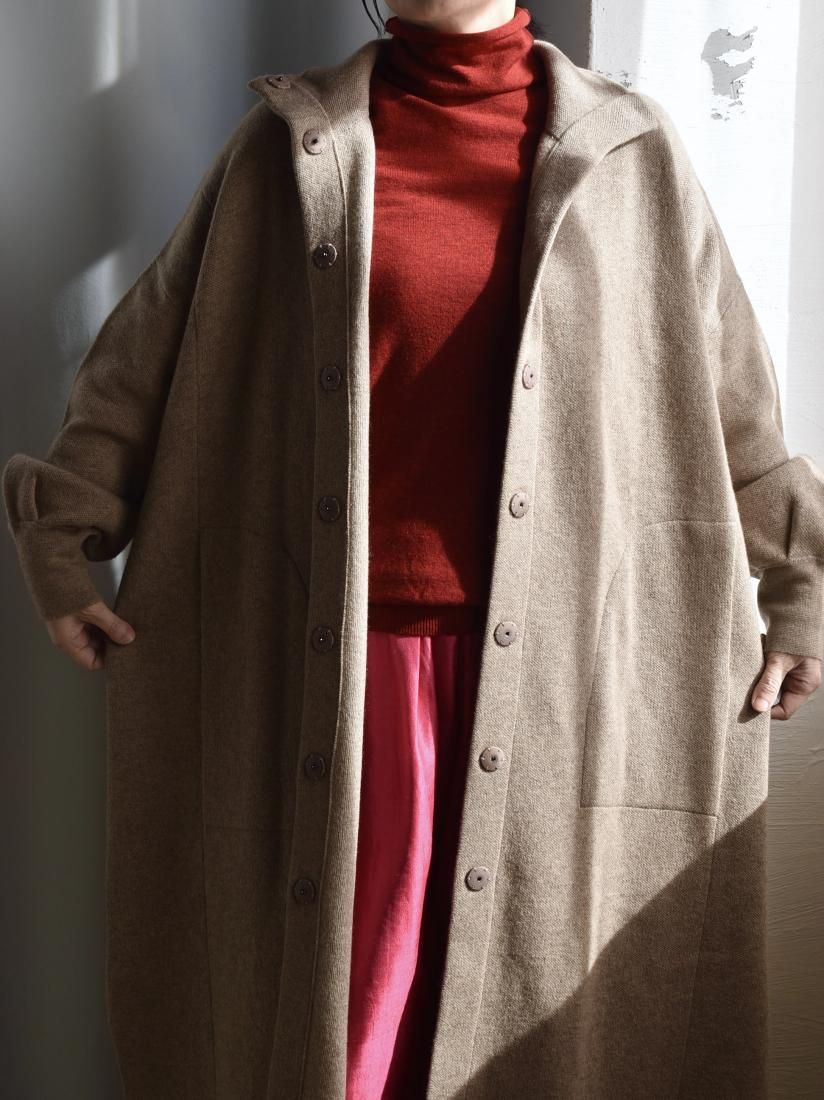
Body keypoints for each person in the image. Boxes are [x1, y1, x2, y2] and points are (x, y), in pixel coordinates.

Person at [4, 3, 823, 1097]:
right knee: (348, 1040)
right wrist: (60, 539)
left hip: (562, 680)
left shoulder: (632, 152)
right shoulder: (289, 147)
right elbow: (139, 363)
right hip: (338, 673)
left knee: (528, 1032)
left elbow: (730, 401)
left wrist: (801, 587)